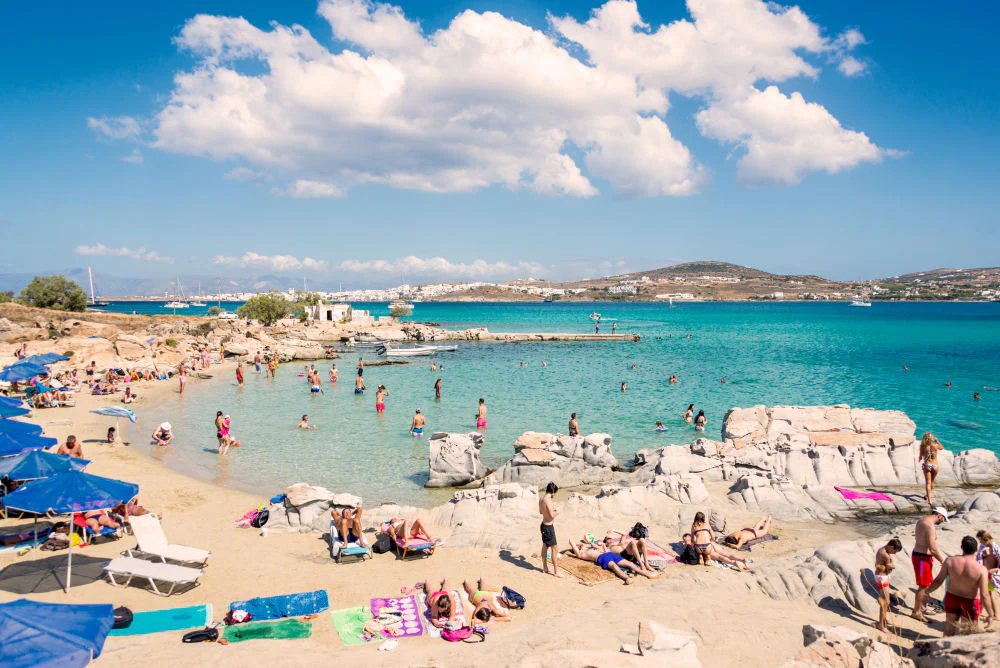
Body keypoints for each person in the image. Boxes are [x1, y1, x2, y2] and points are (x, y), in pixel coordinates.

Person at [926, 536, 997, 635]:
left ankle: (944, 649)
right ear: (976, 550)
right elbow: (985, 595)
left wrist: (926, 593)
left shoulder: (950, 561)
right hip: (970, 602)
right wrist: (990, 614)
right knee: (966, 632)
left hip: (952, 598)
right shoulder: (981, 570)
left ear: (961, 547)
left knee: (948, 629)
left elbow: (938, 581)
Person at [912, 507, 950, 621]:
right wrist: (942, 561)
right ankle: (916, 612)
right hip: (922, 559)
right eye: (942, 519)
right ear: (939, 516)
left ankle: (922, 606)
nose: (941, 522)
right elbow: (932, 548)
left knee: (926, 583)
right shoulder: (930, 526)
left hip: (920, 556)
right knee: (923, 586)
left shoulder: (921, 520)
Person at [568, 540, 658, 585]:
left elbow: (602, 547)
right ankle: (626, 578)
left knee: (630, 564)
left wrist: (593, 544)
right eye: (577, 545)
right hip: (601, 557)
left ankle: (647, 574)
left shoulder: (588, 548)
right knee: (615, 567)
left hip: (609, 554)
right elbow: (570, 540)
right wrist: (575, 545)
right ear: (574, 549)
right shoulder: (580, 553)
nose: (578, 544)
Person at [872, 537, 904, 633]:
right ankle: (881, 625)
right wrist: (891, 565)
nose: (894, 553)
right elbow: (889, 568)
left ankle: (884, 619)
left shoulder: (882, 550)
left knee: (885, 600)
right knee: (886, 601)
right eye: (895, 551)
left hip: (881, 576)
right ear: (891, 547)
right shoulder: (885, 555)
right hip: (882, 578)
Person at [539, 482, 563, 578]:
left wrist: (551, 510)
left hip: (544, 526)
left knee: (545, 546)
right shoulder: (548, 500)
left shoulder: (541, 498)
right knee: (554, 548)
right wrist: (558, 510)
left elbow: (541, 512)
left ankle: (545, 567)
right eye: (555, 493)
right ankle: (556, 572)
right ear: (553, 491)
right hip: (548, 528)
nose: (555, 495)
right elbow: (552, 515)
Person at [976, 529, 1000, 622]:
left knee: (986, 595)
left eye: (980, 540)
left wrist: (993, 570)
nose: (980, 542)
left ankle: (995, 615)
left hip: (991, 575)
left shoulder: (995, 548)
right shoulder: (983, 547)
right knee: (987, 595)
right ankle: (994, 614)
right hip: (984, 574)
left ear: (985, 539)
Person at [919, 432, 944, 505]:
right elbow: (942, 448)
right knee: (932, 481)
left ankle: (929, 499)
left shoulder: (922, 446)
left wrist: (921, 459)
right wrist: (937, 441)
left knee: (928, 483)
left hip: (927, 465)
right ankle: (927, 495)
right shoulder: (935, 446)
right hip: (935, 465)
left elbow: (920, 457)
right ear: (931, 439)